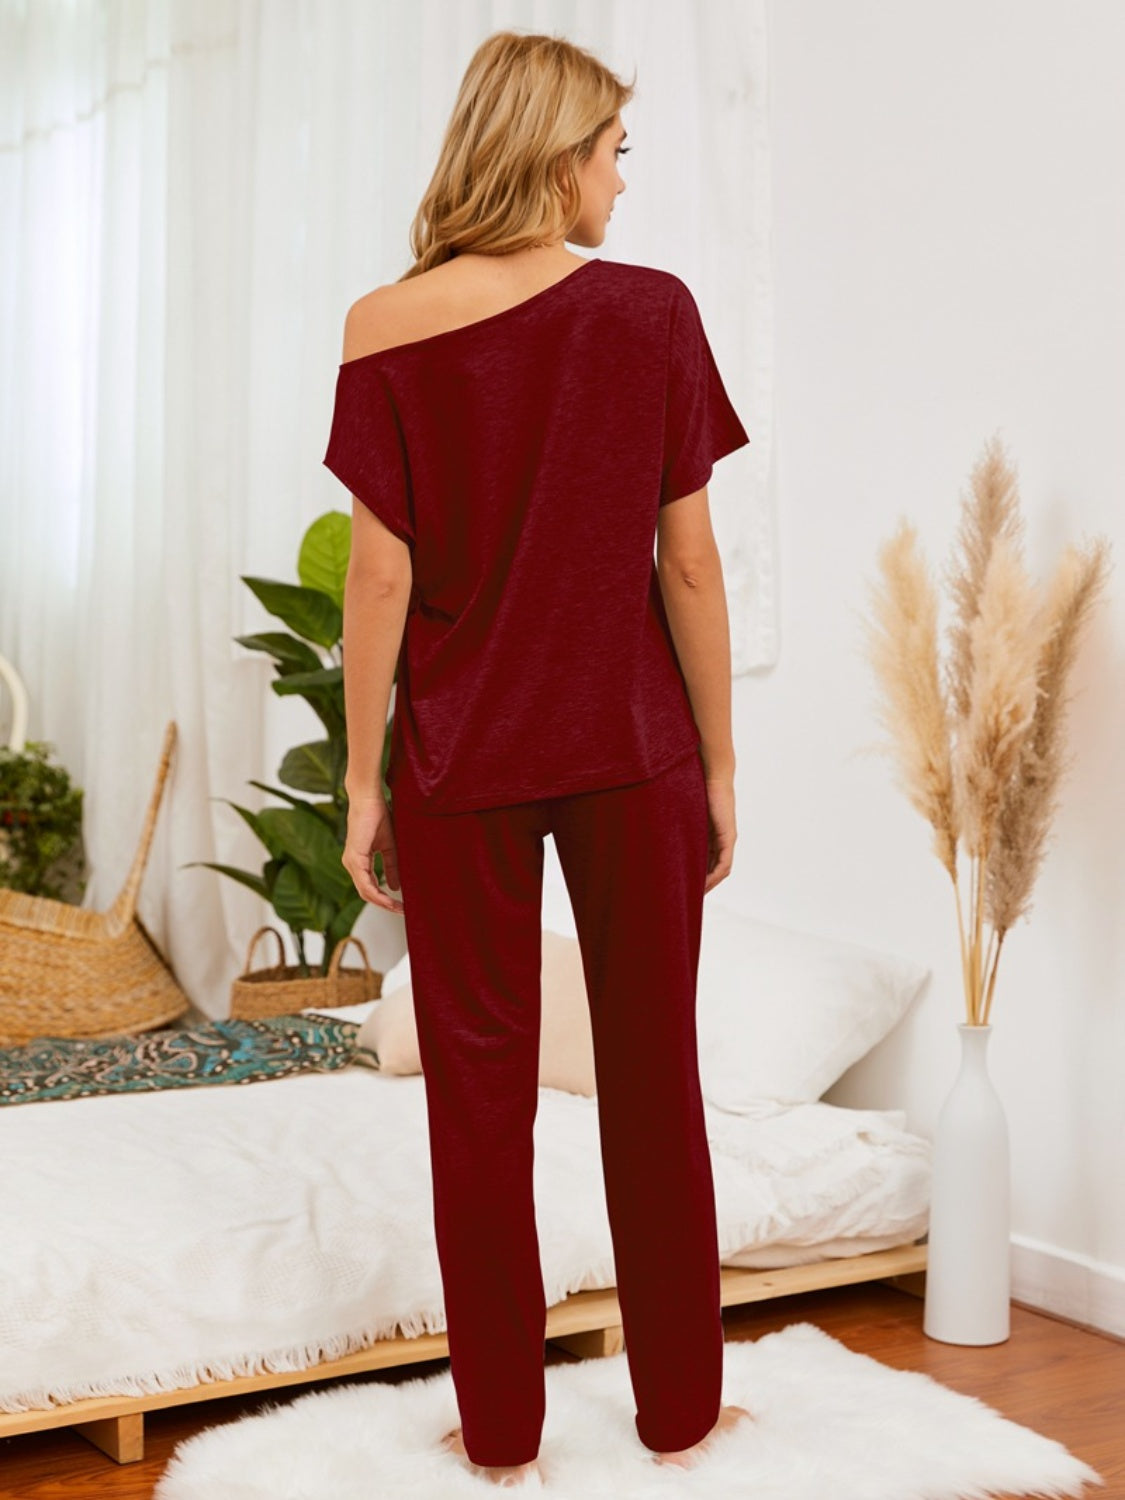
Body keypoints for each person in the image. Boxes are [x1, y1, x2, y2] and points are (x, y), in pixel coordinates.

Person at [323, 28, 753, 1490]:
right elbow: (688, 566)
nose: (623, 183)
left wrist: (364, 782)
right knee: (653, 1082)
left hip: (459, 762)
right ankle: (680, 1415)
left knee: (476, 1099)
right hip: (634, 750)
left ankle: (500, 1429)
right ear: (558, 155)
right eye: (615, 154)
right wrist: (720, 763)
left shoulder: (381, 326)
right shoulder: (651, 314)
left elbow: (381, 579)